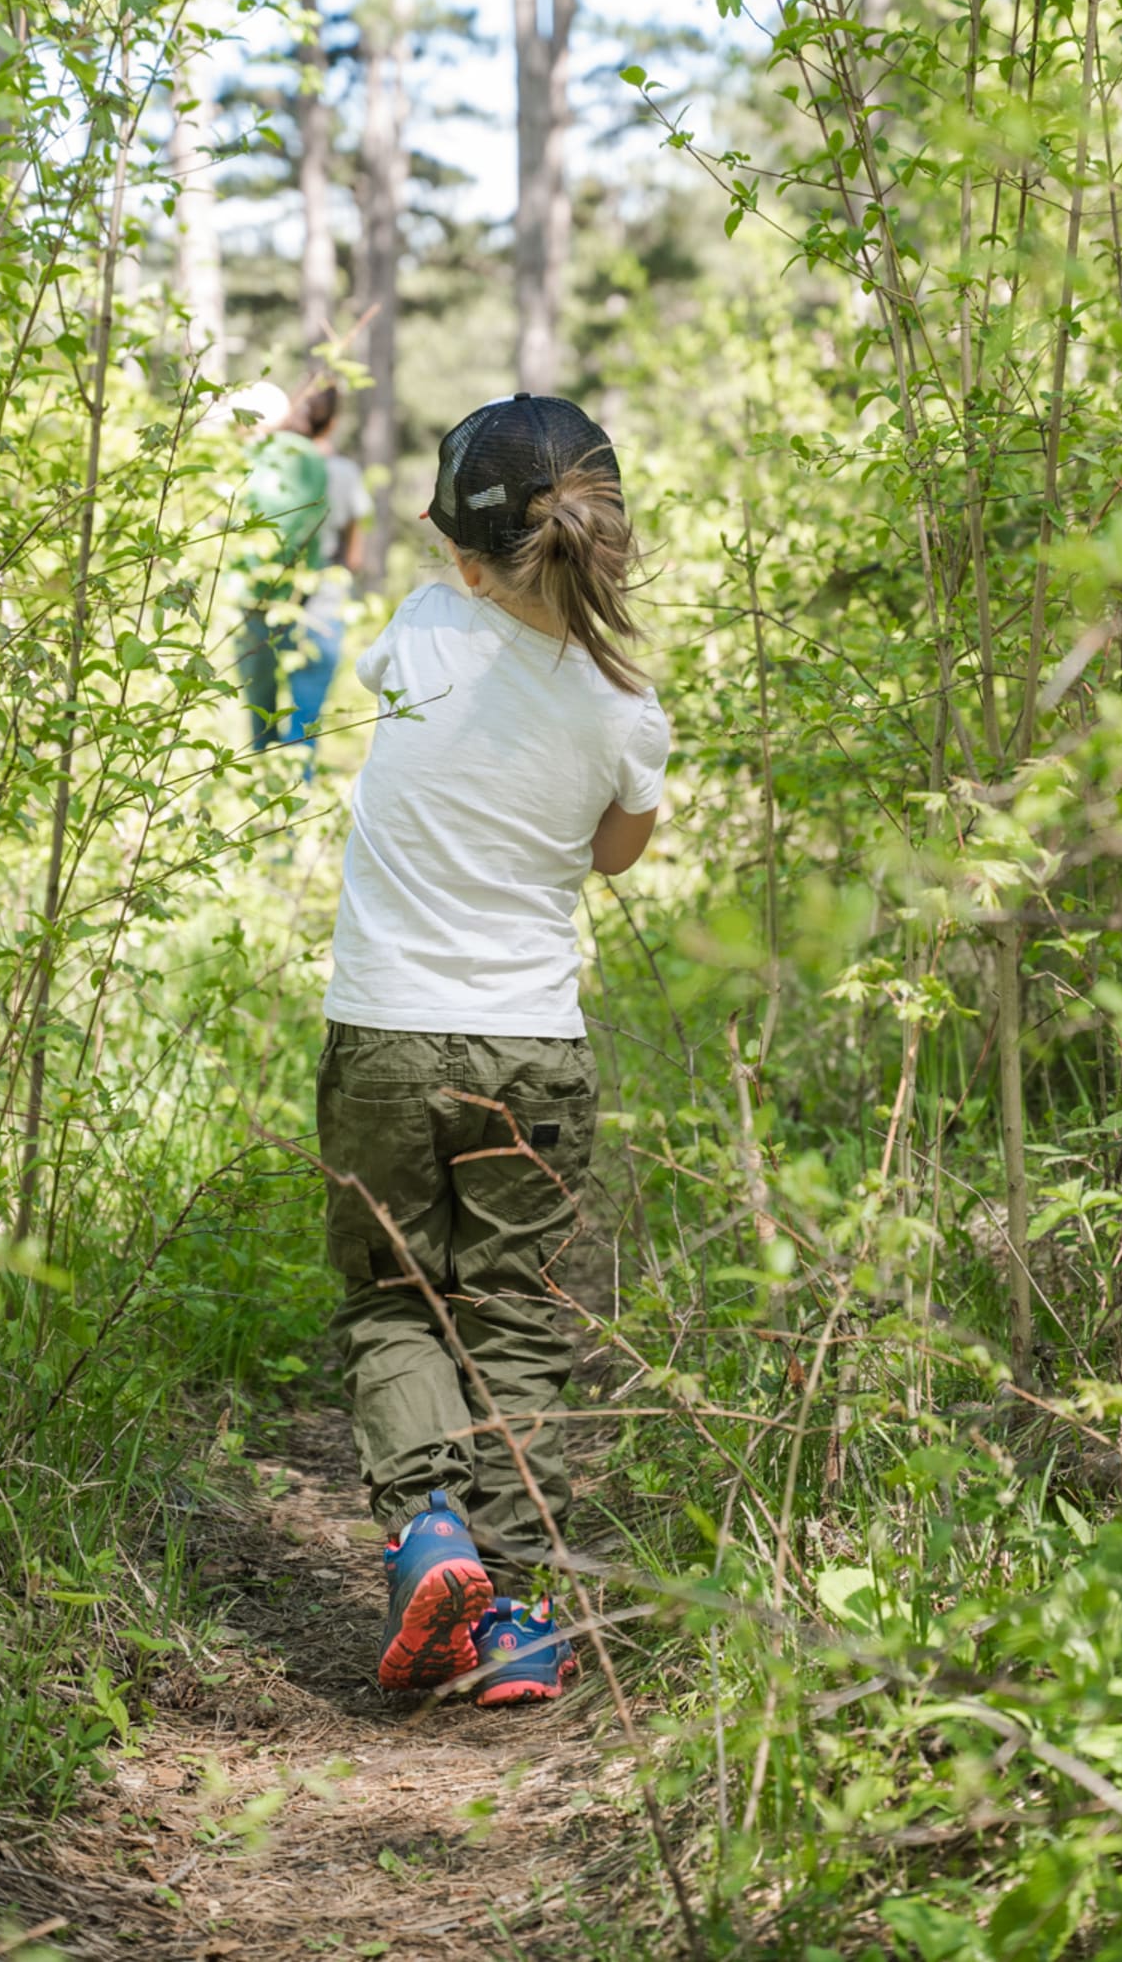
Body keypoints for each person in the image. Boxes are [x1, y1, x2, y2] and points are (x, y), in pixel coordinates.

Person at [315, 393, 669, 1705]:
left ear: (463, 552)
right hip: (536, 1050)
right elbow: (615, 852)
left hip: (390, 1033)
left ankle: (430, 1536)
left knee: (394, 1299)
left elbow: (419, 654)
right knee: (515, 1318)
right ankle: (517, 1619)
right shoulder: (627, 706)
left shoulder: (419, 636)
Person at [237, 379, 373, 765]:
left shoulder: (261, 461)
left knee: (259, 715)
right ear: (331, 423)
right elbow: (356, 557)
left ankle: (252, 800)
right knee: (305, 723)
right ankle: (292, 810)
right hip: (322, 601)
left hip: (259, 592)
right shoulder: (344, 473)